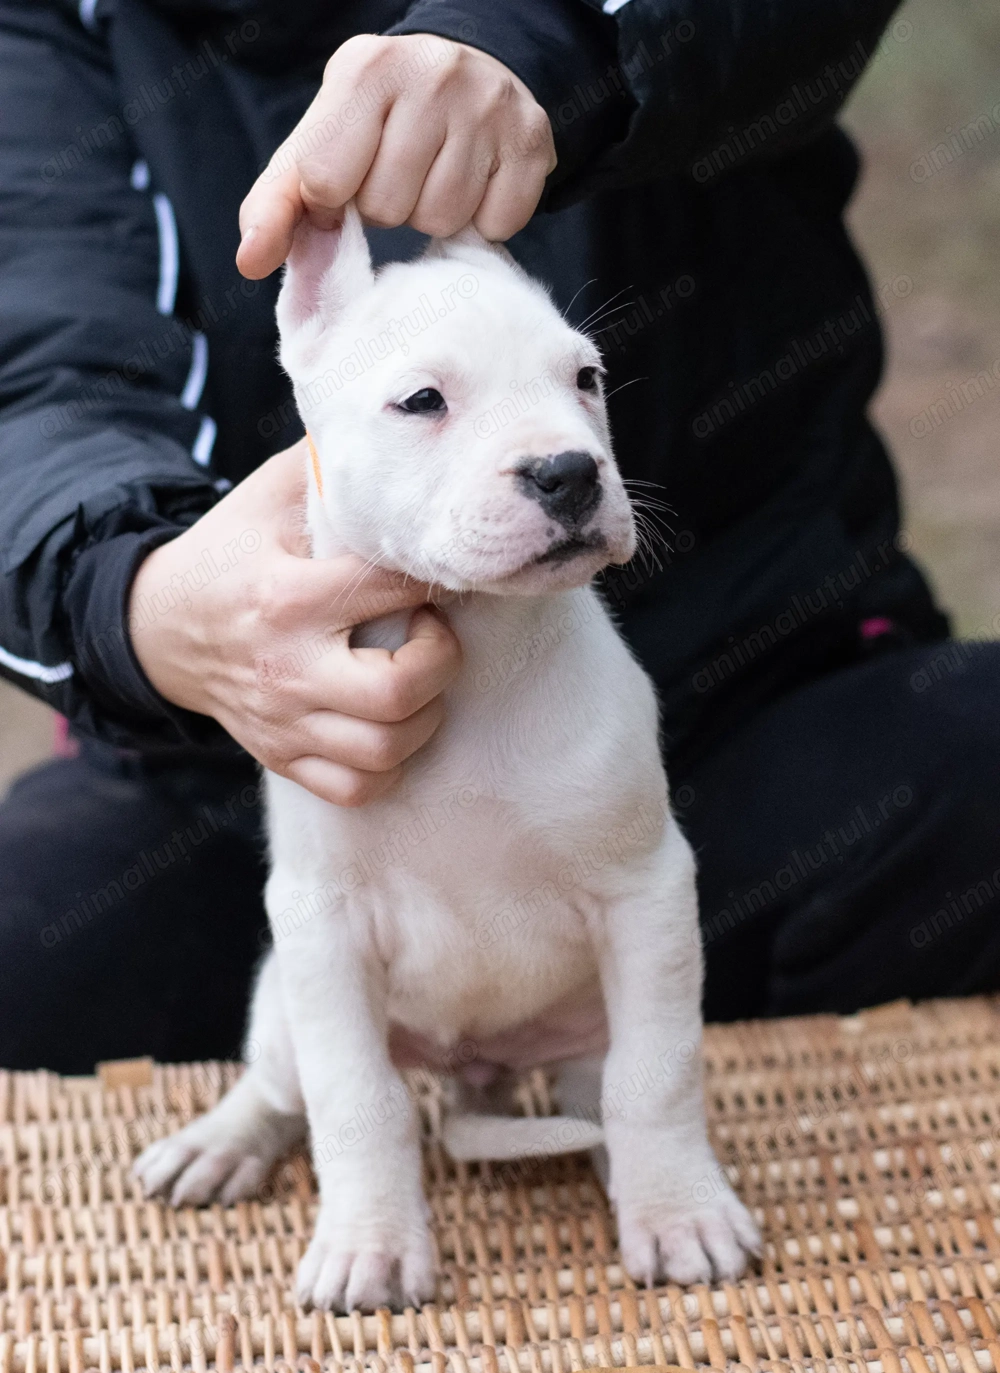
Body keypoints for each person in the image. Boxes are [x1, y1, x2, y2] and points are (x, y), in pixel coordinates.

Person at [1, 0, 997, 1075]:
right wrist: (136, 598)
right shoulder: (60, 31)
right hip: (259, 776)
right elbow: (39, 375)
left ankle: (653, 1075)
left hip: (743, 694)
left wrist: (543, 36)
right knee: (40, 949)